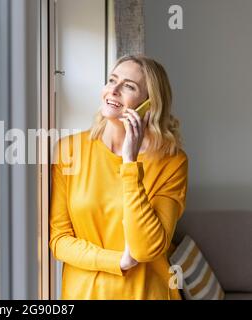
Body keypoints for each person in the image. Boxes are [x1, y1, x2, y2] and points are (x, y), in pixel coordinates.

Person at [49, 55, 188, 300]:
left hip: (147, 293)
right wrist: (117, 261)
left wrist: (129, 164)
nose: (113, 90)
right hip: (83, 294)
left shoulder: (172, 161)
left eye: (128, 86)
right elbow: (59, 240)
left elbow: (147, 249)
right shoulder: (69, 150)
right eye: (112, 80)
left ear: (149, 104)